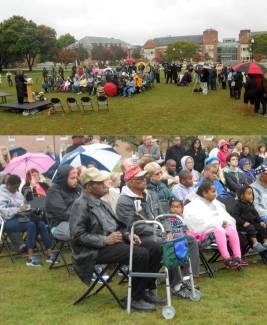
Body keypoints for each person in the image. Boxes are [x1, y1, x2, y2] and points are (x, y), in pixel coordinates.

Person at [70, 167, 163, 311]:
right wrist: (104, 240)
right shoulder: (80, 205)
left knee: (155, 247)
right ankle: (134, 298)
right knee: (139, 254)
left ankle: (145, 290)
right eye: (100, 183)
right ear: (88, 187)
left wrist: (128, 235)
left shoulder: (102, 203)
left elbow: (117, 227)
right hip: (92, 250)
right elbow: (77, 236)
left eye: (104, 181)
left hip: (113, 243)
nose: (105, 185)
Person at [116, 165, 200, 299]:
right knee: (168, 243)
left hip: (158, 231)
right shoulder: (124, 200)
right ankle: (177, 286)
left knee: (189, 240)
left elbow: (163, 215)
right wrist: (161, 231)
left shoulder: (150, 194)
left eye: (144, 177)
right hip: (139, 237)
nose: (144, 180)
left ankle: (187, 279)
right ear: (131, 182)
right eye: (140, 178)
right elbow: (133, 226)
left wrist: (167, 229)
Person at [183, 181, 244, 268]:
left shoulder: (215, 202)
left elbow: (223, 215)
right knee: (219, 231)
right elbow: (197, 221)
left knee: (231, 230)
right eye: (213, 191)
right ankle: (227, 259)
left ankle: (238, 258)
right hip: (205, 231)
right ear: (204, 193)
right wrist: (218, 224)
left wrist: (225, 222)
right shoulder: (193, 206)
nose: (215, 194)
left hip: (218, 227)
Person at [0, 175, 56, 266]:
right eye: (14, 188)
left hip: (20, 217)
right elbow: (2, 212)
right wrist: (19, 209)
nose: (16, 190)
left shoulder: (17, 193)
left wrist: (27, 204)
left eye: (17, 187)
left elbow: (23, 205)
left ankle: (50, 254)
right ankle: (30, 258)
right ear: (8, 184)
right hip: (6, 221)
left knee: (40, 223)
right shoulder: (1, 193)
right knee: (31, 225)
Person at [45, 165, 81, 240]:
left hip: (78, 220)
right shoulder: (53, 191)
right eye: (72, 178)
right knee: (80, 231)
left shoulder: (76, 188)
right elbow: (63, 214)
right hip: (59, 224)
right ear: (64, 179)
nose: (76, 180)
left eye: (76, 177)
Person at [233, 186, 267, 253]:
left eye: (251, 193)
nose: (251, 196)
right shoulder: (238, 205)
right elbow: (235, 216)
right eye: (249, 194)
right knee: (251, 228)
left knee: (262, 226)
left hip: (253, 223)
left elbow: (256, 214)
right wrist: (243, 222)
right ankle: (255, 244)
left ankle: (265, 242)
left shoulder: (250, 204)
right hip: (243, 225)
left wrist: (260, 221)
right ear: (242, 195)